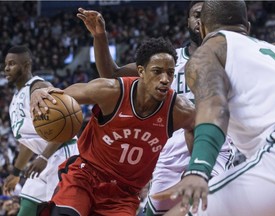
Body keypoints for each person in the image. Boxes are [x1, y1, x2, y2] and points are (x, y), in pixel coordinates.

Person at [76, 3, 235, 216]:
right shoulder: (168, 60)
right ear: (188, 20)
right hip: (168, 149)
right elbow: (112, 75)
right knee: (154, 210)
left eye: (205, 15)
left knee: (206, 206)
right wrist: (100, 37)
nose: (200, 20)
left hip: (209, 143)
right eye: (196, 15)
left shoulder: (232, 56)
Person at [31, 37, 196, 216]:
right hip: (86, 176)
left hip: (123, 195)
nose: (165, 79)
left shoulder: (178, 109)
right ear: (141, 71)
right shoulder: (111, 91)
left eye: (170, 73)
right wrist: (37, 92)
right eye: (157, 71)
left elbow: (199, 128)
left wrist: (195, 170)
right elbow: (59, 96)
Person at [152, 1, 275, 216]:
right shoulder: (273, 52)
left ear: (203, 28)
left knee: (186, 212)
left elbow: (215, 106)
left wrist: (198, 169)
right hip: (274, 149)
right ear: (248, 28)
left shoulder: (208, 52)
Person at [3, 46, 79, 216]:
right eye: (6, 64)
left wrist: (44, 156)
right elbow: (28, 143)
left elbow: (62, 125)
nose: (6, 68)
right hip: (44, 158)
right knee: (27, 208)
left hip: (63, 153)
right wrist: (16, 173)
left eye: (12, 63)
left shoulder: (38, 86)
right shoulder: (15, 98)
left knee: (59, 210)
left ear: (26, 65)